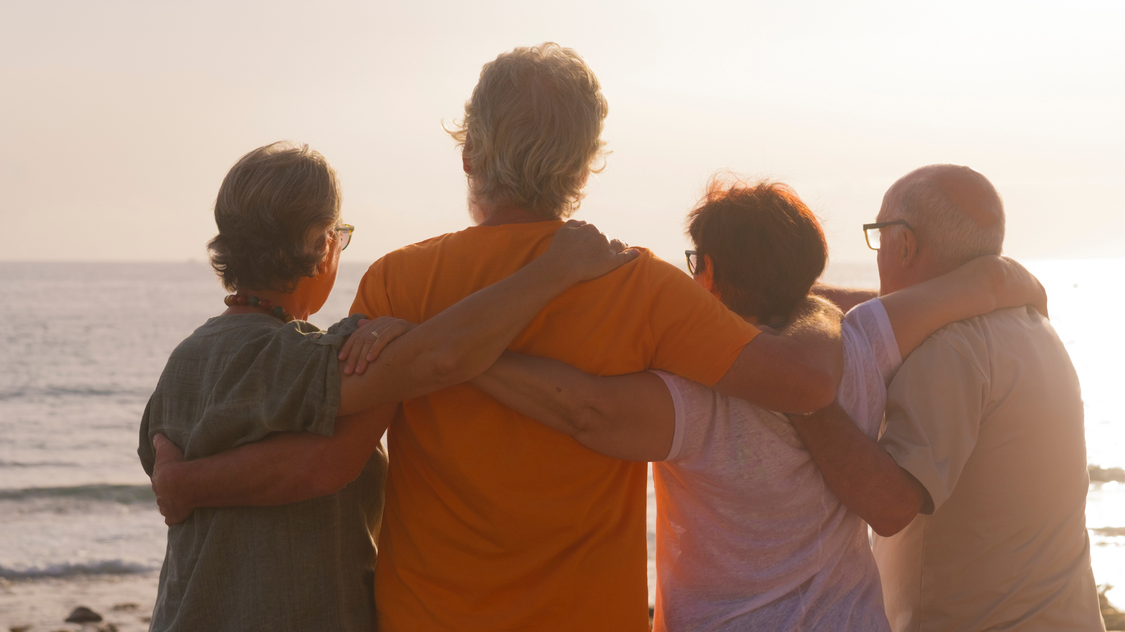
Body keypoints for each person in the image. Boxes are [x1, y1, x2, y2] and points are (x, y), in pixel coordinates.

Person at [148, 43, 846, 631]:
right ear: (583, 164)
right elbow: (805, 384)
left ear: (469, 153)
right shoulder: (635, 282)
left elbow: (330, 459)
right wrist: (823, 308)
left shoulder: (399, 283)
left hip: (428, 615)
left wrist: (187, 482)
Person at [465, 177, 1047, 631]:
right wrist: (1012, 284)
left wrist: (465, 354)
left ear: (711, 272)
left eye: (696, 264)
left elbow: (586, 410)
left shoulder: (697, 393)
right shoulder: (864, 340)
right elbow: (934, 298)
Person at [138, 140, 637, 631]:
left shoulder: (182, 364)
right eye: (339, 234)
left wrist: (184, 483)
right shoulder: (313, 358)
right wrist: (556, 268)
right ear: (321, 244)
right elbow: (439, 361)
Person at [788, 164, 1104, 631]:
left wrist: (802, 396)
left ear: (906, 244)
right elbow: (883, 312)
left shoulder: (948, 347)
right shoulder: (1032, 324)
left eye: (878, 235)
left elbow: (889, 505)